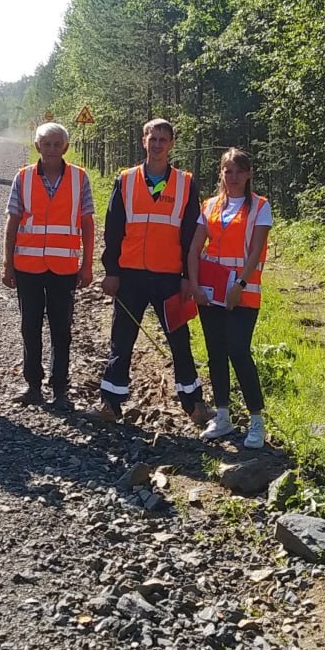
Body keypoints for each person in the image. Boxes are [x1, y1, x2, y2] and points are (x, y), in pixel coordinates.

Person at [89, 118, 211, 425]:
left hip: (170, 277)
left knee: (178, 339)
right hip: (129, 276)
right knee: (121, 339)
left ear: (171, 144)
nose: (157, 144)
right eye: (152, 138)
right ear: (143, 141)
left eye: (163, 139)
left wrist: (187, 277)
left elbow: (190, 235)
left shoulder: (185, 183)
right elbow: (113, 229)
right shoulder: (126, 180)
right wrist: (111, 271)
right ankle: (111, 403)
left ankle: (194, 404)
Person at [1, 122, 95, 410]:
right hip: (27, 266)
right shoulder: (23, 177)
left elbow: (88, 224)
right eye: (46, 143)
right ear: (37, 146)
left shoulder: (80, 178)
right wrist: (7, 262)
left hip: (64, 268)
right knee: (29, 327)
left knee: (61, 329)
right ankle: (32, 385)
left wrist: (87, 265)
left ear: (65, 147)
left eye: (57, 144)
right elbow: (13, 221)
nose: (52, 149)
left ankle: (59, 388)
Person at [188, 148, 272, 449]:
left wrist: (241, 282)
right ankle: (222, 415)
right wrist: (195, 285)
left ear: (248, 174)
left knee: (238, 350)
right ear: (221, 173)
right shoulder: (209, 206)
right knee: (216, 352)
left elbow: (255, 251)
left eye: (238, 171)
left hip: (242, 293)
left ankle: (256, 420)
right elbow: (196, 248)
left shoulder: (260, 207)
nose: (233, 176)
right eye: (227, 170)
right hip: (210, 293)